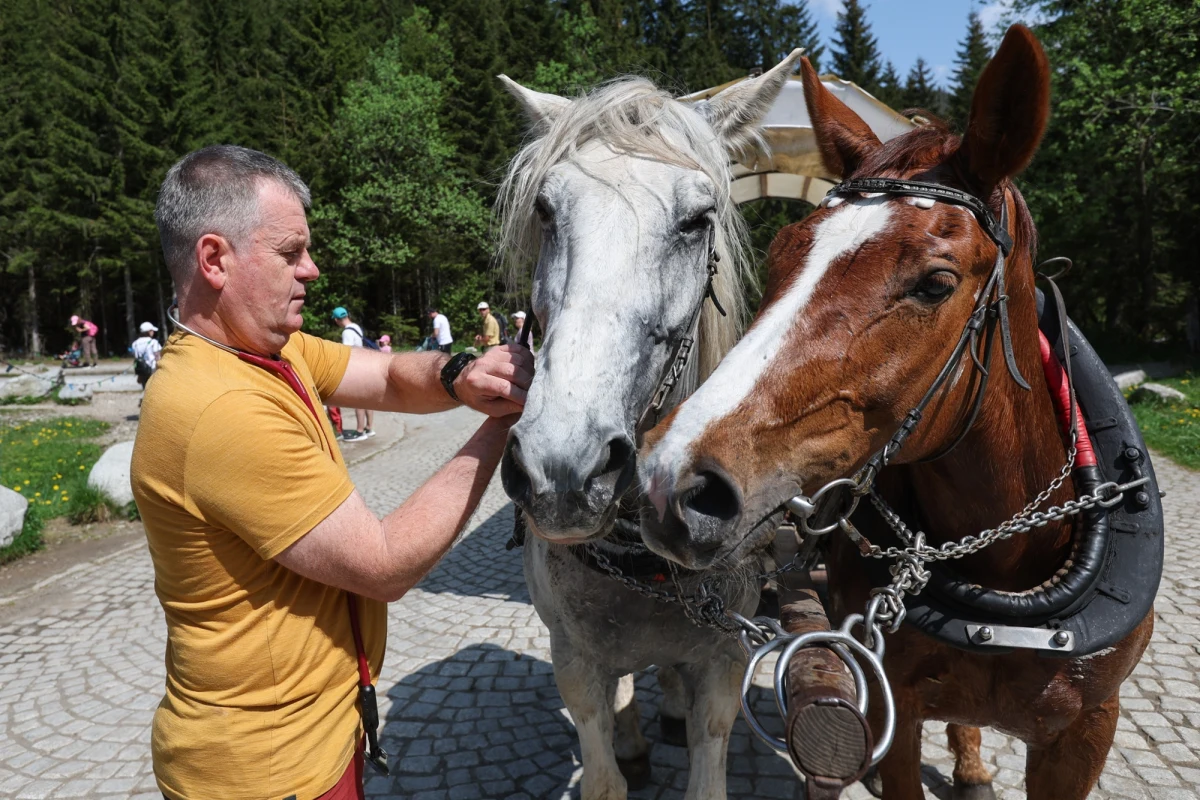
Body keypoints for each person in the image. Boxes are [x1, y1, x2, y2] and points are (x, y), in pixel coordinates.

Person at [133, 145, 533, 800]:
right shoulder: (218, 406)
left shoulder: (264, 351)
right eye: (290, 253)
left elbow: (382, 376)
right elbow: (385, 563)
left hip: (313, 738)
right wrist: (501, 422)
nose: (312, 271)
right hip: (268, 771)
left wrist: (464, 374)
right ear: (214, 260)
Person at [332, 307, 375, 441]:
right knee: (368, 400)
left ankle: (360, 431)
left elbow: (347, 353)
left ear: (336, 320)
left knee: (358, 400)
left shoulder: (346, 333)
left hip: (357, 369)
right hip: (366, 365)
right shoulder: (356, 327)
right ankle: (369, 428)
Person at [131, 321, 163, 388]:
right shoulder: (153, 342)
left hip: (141, 369)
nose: (153, 332)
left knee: (145, 388)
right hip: (152, 369)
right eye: (152, 330)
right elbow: (157, 357)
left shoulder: (135, 343)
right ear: (148, 331)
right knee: (153, 388)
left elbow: (135, 357)